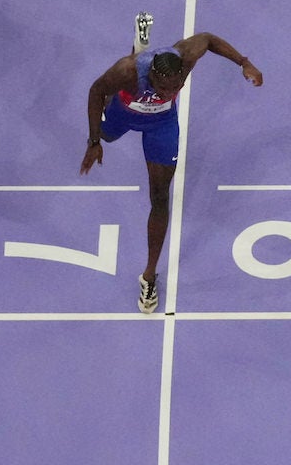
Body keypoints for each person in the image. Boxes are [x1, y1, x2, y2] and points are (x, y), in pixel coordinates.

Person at [79, 25, 262, 313]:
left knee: (161, 197)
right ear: (151, 75)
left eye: (176, 86)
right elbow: (95, 90)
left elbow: (209, 39)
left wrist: (244, 62)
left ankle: (149, 276)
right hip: (123, 113)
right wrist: (92, 142)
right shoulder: (127, 71)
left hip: (161, 126)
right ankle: (138, 49)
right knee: (106, 135)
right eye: (163, 87)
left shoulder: (185, 57)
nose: (168, 92)